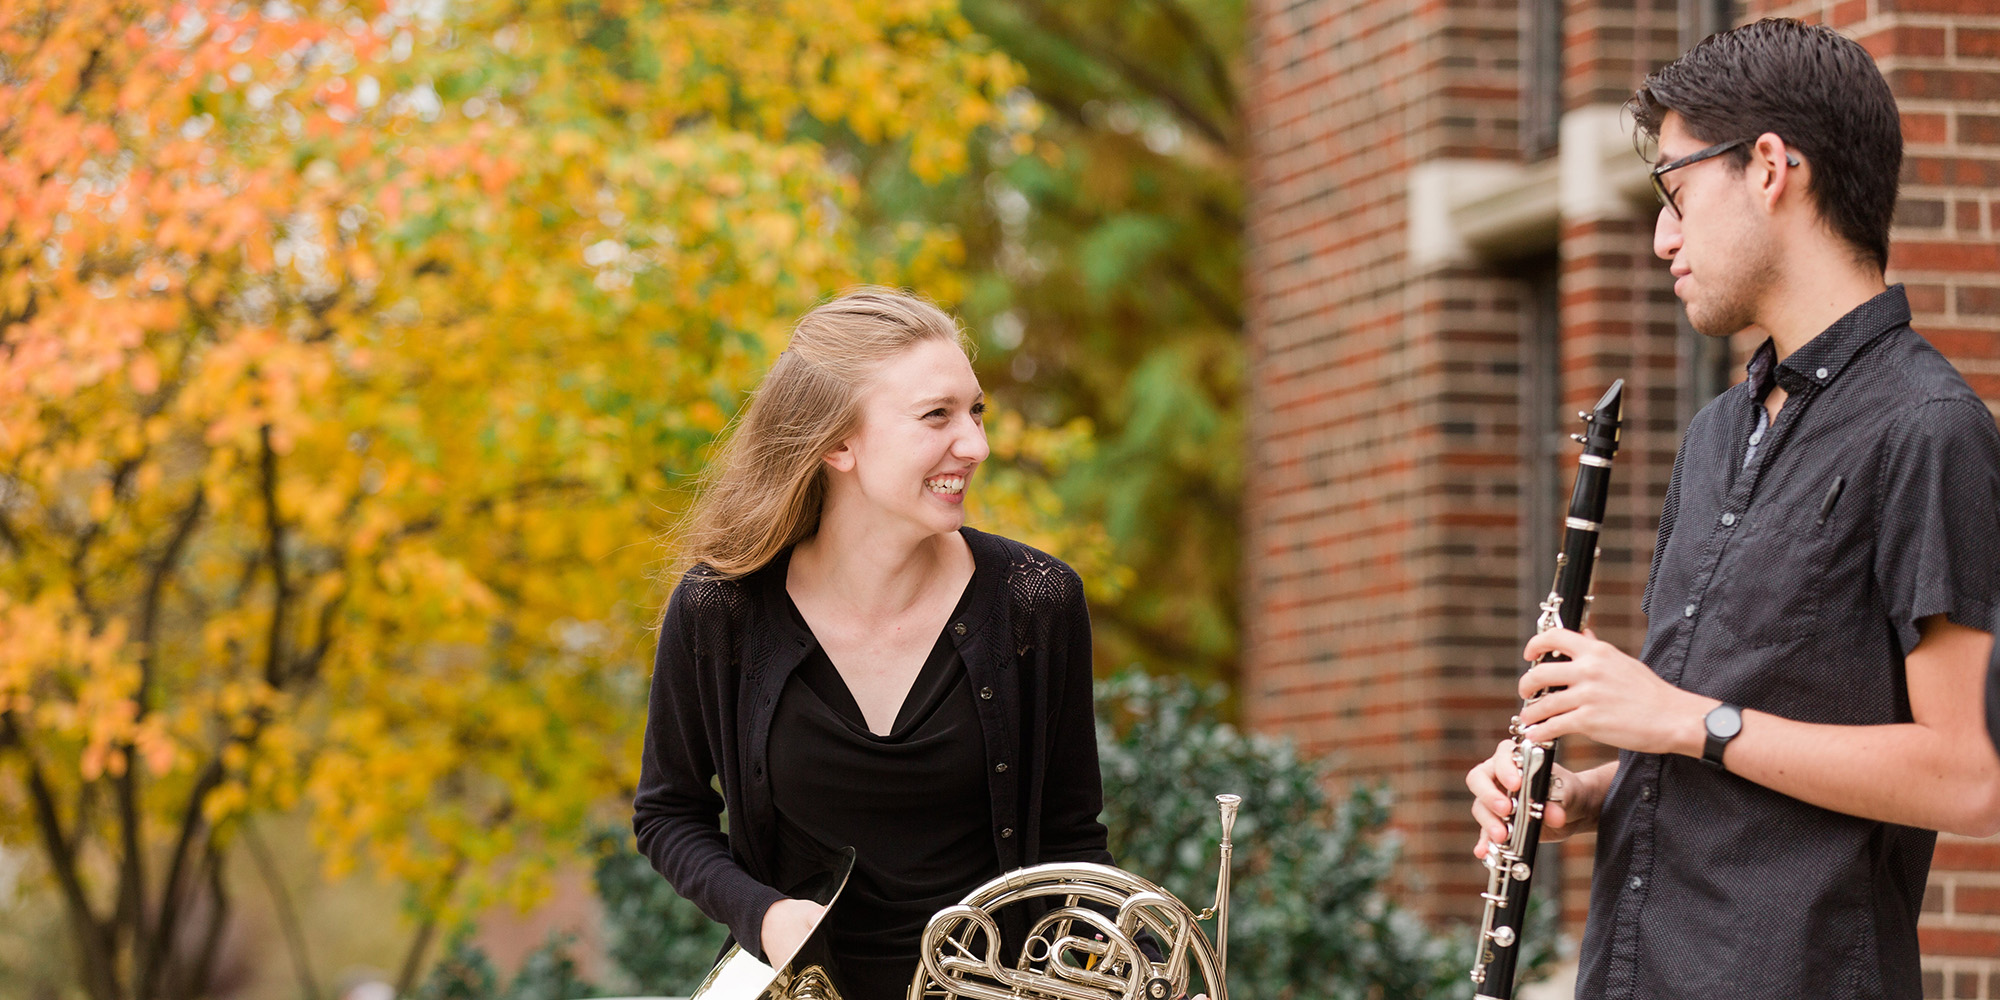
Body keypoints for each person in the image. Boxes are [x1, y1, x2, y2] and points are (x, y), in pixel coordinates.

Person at [1465, 18, 2000, 1000]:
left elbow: (1963, 776)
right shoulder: (1716, 433)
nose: (1661, 234)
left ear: (1767, 167)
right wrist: (1584, 792)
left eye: (1673, 191)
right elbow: (1710, 740)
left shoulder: (1930, 430)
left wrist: (1675, 719)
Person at [632, 288, 1113, 1000]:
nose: (975, 444)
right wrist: (762, 915)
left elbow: (1072, 842)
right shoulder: (722, 609)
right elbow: (667, 813)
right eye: (936, 416)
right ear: (837, 442)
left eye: (975, 411)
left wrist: (1107, 976)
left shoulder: (1035, 602)